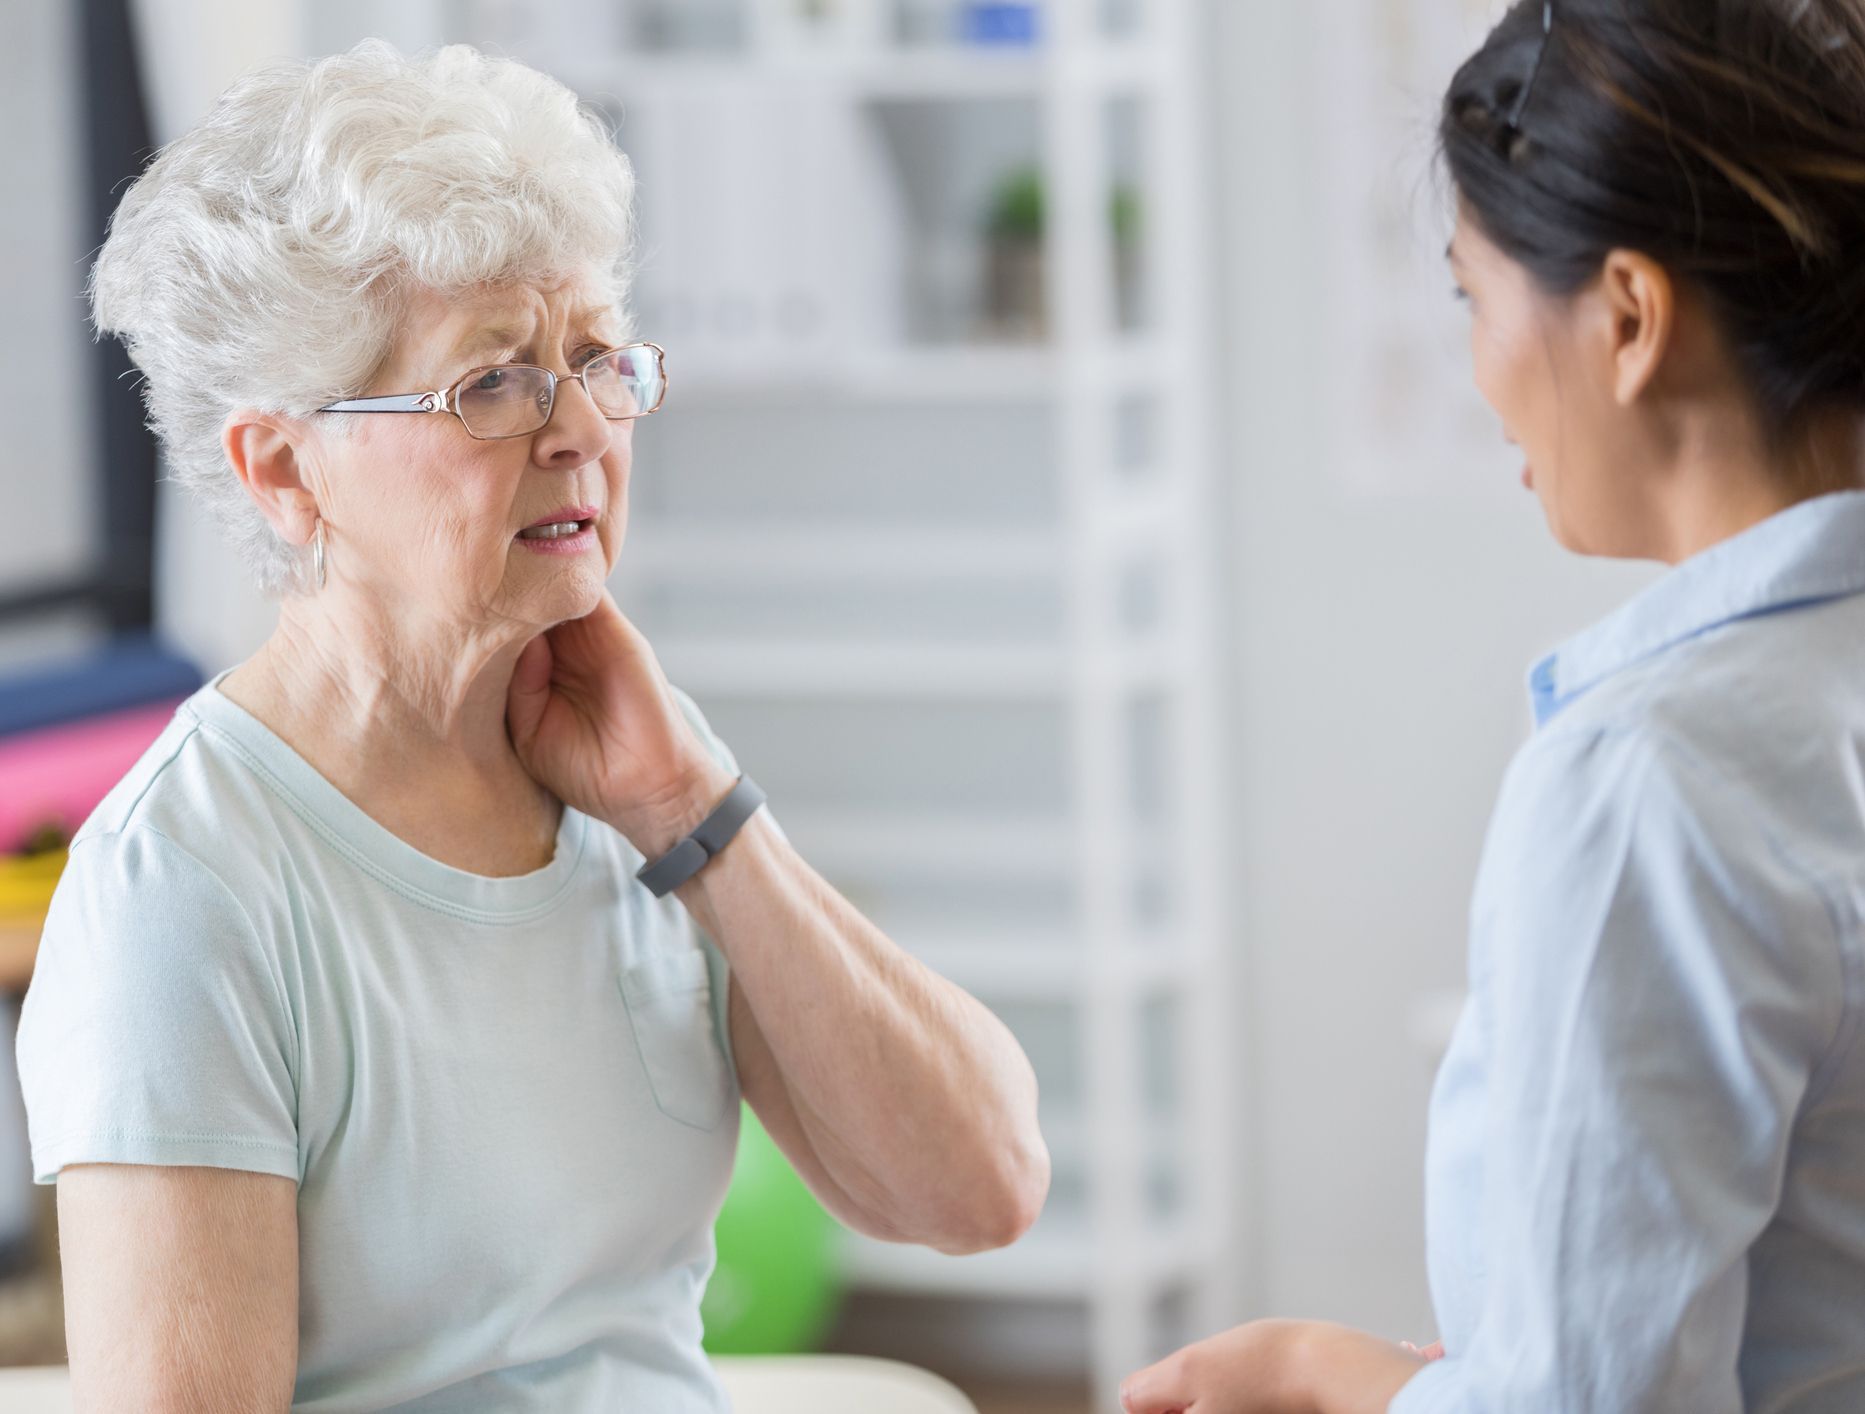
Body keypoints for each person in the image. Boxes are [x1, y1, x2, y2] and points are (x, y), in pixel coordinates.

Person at [16, 39, 1048, 1412]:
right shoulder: (185, 886)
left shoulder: (636, 784)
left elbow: (977, 1188)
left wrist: (697, 812)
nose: (578, 429)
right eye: (491, 383)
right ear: (283, 469)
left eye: (597, 357)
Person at [1122, 1, 1865, 1410]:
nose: (1480, 374)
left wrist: (1330, 1373)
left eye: (1472, 297)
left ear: (1629, 318)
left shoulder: (1651, 779)